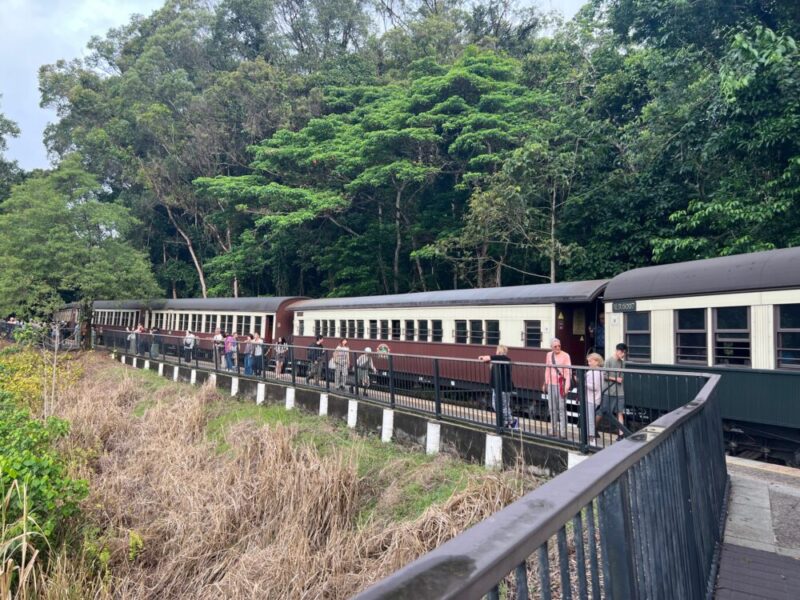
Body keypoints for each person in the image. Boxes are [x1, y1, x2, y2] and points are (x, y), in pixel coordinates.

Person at [479, 345, 516, 429]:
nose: (496, 352)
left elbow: (494, 358)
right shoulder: (497, 360)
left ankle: (511, 421)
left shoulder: (505, 359)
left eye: (497, 350)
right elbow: (490, 361)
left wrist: (486, 357)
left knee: (502, 406)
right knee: (496, 405)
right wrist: (486, 360)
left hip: (504, 388)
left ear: (499, 351)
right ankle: (506, 422)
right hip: (497, 387)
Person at [543, 338, 572, 437]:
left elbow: (568, 372)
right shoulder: (549, 355)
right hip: (551, 384)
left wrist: (567, 386)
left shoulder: (566, 355)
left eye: (559, 346)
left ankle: (563, 433)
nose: (558, 348)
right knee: (552, 408)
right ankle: (553, 430)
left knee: (561, 408)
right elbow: (547, 369)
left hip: (561, 384)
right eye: (555, 346)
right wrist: (545, 383)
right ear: (551, 347)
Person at [603, 343, 627, 438]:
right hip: (609, 390)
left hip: (620, 391)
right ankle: (592, 430)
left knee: (620, 412)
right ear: (617, 351)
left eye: (624, 352)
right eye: (622, 352)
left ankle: (621, 434)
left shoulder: (622, 363)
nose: (623, 354)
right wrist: (615, 379)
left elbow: (622, 376)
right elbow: (604, 375)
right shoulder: (608, 361)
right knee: (605, 412)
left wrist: (618, 379)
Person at [584, 353, 604, 445]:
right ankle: (591, 438)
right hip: (594, 398)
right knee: (590, 419)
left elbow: (595, 387)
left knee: (590, 419)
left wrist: (583, 383)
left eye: (590, 361)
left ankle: (591, 439)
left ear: (596, 361)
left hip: (592, 399)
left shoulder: (595, 372)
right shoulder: (600, 371)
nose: (588, 363)